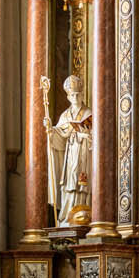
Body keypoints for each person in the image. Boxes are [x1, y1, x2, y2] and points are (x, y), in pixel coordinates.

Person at [44, 75, 93, 224]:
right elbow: (60, 135)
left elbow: (97, 138)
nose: (75, 97)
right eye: (72, 95)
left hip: (84, 154)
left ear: (82, 94)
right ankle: (67, 216)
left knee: (81, 184)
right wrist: (51, 129)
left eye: (78, 94)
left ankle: (83, 212)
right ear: (68, 97)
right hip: (70, 154)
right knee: (69, 182)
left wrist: (86, 135)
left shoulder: (89, 113)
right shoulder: (65, 115)